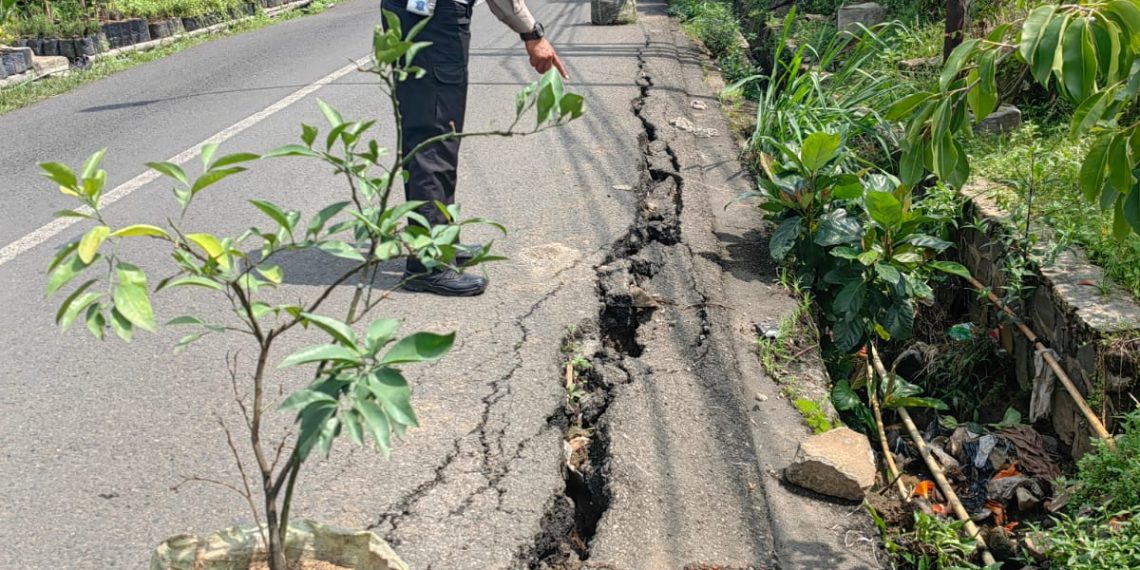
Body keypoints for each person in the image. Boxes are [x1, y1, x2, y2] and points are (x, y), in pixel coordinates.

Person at [384, 0, 568, 296]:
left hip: (420, 15)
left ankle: (438, 241)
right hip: (431, 20)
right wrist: (532, 33)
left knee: (439, 129)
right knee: (433, 135)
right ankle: (427, 264)